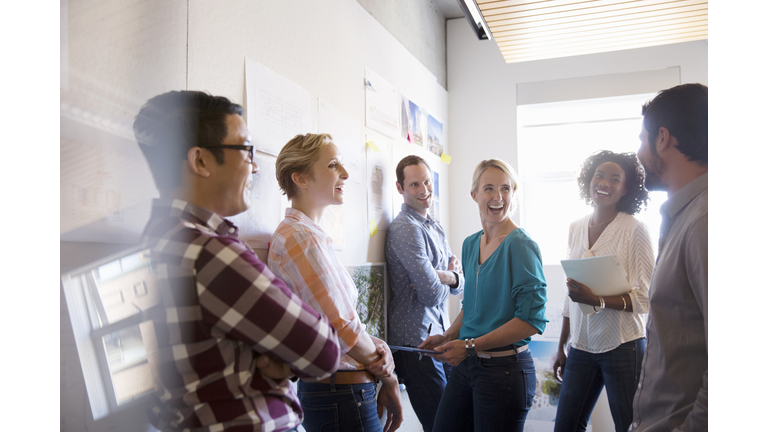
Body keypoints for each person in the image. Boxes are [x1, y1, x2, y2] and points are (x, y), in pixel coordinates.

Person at [133, 91, 341, 432]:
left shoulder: (155, 239)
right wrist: (274, 360)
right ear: (200, 161)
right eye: (246, 150)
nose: (255, 164)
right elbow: (324, 351)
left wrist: (266, 358)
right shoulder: (211, 252)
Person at [268, 133, 403, 432]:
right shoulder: (301, 238)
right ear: (301, 178)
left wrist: (381, 351)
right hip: (340, 393)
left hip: (342, 391)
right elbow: (343, 330)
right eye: (332, 165)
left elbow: (346, 323)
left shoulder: (309, 235)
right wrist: (389, 376)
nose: (345, 173)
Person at [421, 159, 548, 432]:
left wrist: (469, 346)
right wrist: (449, 335)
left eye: (505, 188)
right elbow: (473, 305)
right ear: (474, 194)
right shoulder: (470, 244)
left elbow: (531, 321)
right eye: (489, 188)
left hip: (504, 370)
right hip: (468, 366)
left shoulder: (521, 246)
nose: (498, 197)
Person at [552, 150, 655, 432]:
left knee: (629, 426)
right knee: (566, 426)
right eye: (599, 175)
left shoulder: (635, 230)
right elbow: (569, 294)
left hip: (623, 345)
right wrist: (563, 345)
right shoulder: (575, 228)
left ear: (625, 189)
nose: (604, 182)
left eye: (614, 178)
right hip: (581, 346)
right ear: (589, 180)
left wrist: (596, 300)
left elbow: (645, 298)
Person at [630, 83, 708, 431]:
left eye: (642, 140)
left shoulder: (706, 221)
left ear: (663, 138)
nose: (639, 152)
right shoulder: (685, 215)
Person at [385, 155, 465, 432]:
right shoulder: (406, 228)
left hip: (439, 336)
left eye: (428, 181)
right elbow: (431, 294)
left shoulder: (433, 225)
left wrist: (446, 276)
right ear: (400, 188)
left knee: (457, 422)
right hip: (415, 344)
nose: (424, 189)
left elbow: (460, 285)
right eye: (415, 184)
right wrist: (450, 279)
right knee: (442, 426)